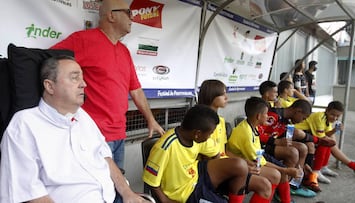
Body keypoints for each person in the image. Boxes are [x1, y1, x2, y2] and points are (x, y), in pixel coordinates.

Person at [0, 56, 148, 203]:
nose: (83, 84)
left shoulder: (83, 117)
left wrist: (128, 194)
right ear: (50, 86)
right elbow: (30, 193)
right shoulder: (24, 124)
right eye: (74, 78)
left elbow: (105, 158)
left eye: (82, 78)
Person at [51, 0, 165, 170]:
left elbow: (136, 90)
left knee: (118, 190)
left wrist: (150, 119)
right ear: (111, 15)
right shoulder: (83, 40)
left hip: (120, 134)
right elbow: (49, 63)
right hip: (92, 136)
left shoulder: (124, 51)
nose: (132, 18)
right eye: (128, 13)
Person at [143, 105, 249, 203]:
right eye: (210, 133)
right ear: (197, 133)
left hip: (196, 173)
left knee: (240, 165)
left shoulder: (195, 137)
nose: (210, 137)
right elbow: (151, 181)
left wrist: (217, 178)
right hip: (184, 192)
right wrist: (166, 201)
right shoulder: (165, 147)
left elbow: (215, 153)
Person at [198, 79, 273, 202]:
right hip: (207, 171)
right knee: (263, 183)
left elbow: (224, 151)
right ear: (211, 95)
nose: (227, 97)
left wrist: (245, 162)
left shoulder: (221, 120)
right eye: (223, 94)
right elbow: (207, 157)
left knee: (265, 185)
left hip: (224, 164)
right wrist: (238, 167)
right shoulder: (201, 121)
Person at [227, 97, 302, 203]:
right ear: (258, 116)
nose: (268, 116)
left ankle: (286, 200)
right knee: (276, 174)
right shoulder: (245, 133)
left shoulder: (252, 125)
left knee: (281, 172)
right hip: (240, 164)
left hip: (250, 159)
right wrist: (285, 170)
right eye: (266, 114)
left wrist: (284, 170)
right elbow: (257, 160)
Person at [295, 101, 355, 192]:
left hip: (308, 134)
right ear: (327, 111)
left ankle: (324, 167)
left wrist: (335, 130)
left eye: (337, 116)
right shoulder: (319, 117)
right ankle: (316, 171)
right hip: (298, 133)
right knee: (326, 144)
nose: (335, 118)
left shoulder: (326, 119)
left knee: (329, 143)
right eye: (332, 114)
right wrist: (331, 139)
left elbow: (327, 134)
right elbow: (323, 138)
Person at [259, 99, 317, 197]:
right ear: (298, 111)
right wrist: (276, 141)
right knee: (292, 153)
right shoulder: (273, 115)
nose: (303, 120)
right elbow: (257, 133)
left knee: (303, 148)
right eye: (304, 117)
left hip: (271, 144)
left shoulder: (287, 120)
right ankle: (280, 191)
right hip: (261, 147)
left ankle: (294, 185)